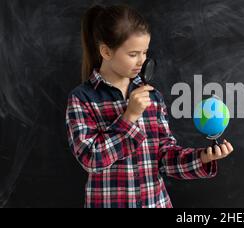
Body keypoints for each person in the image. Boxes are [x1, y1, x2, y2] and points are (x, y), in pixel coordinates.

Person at [65, 4, 234, 208]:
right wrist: (129, 118)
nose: (141, 61)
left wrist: (201, 158)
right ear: (106, 52)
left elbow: (164, 157)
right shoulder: (82, 99)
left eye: (144, 52)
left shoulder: (152, 97)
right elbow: (90, 159)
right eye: (133, 54)